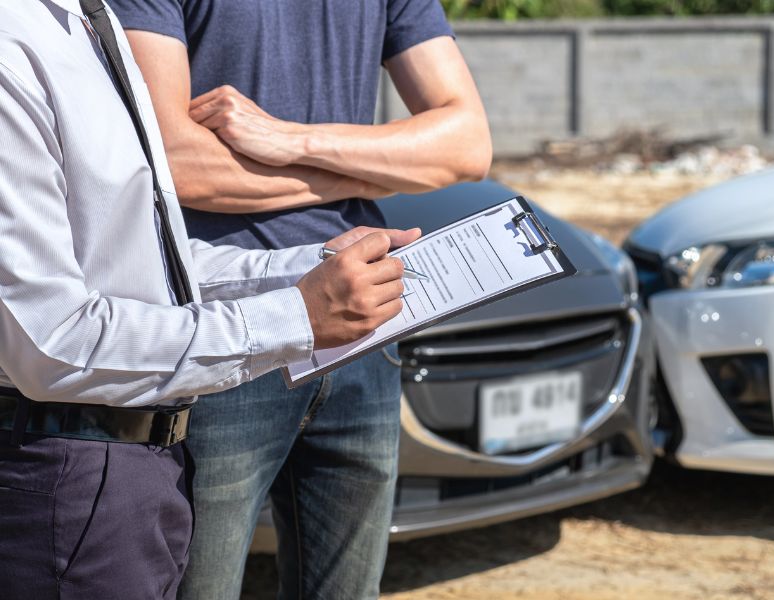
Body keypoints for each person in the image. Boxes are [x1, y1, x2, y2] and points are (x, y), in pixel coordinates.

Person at [0, 1, 417, 599]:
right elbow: (54, 342)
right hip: (63, 472)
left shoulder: (89, 21)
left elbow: (145, 264)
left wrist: (305, 269)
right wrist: (296, 315)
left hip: (139, 469)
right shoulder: (12, 46)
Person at [108, 1, 492, 598]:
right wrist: (377, 169)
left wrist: (290, 140)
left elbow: (465, 146)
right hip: (225, 325)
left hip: (367, 320)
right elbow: (173, 163)